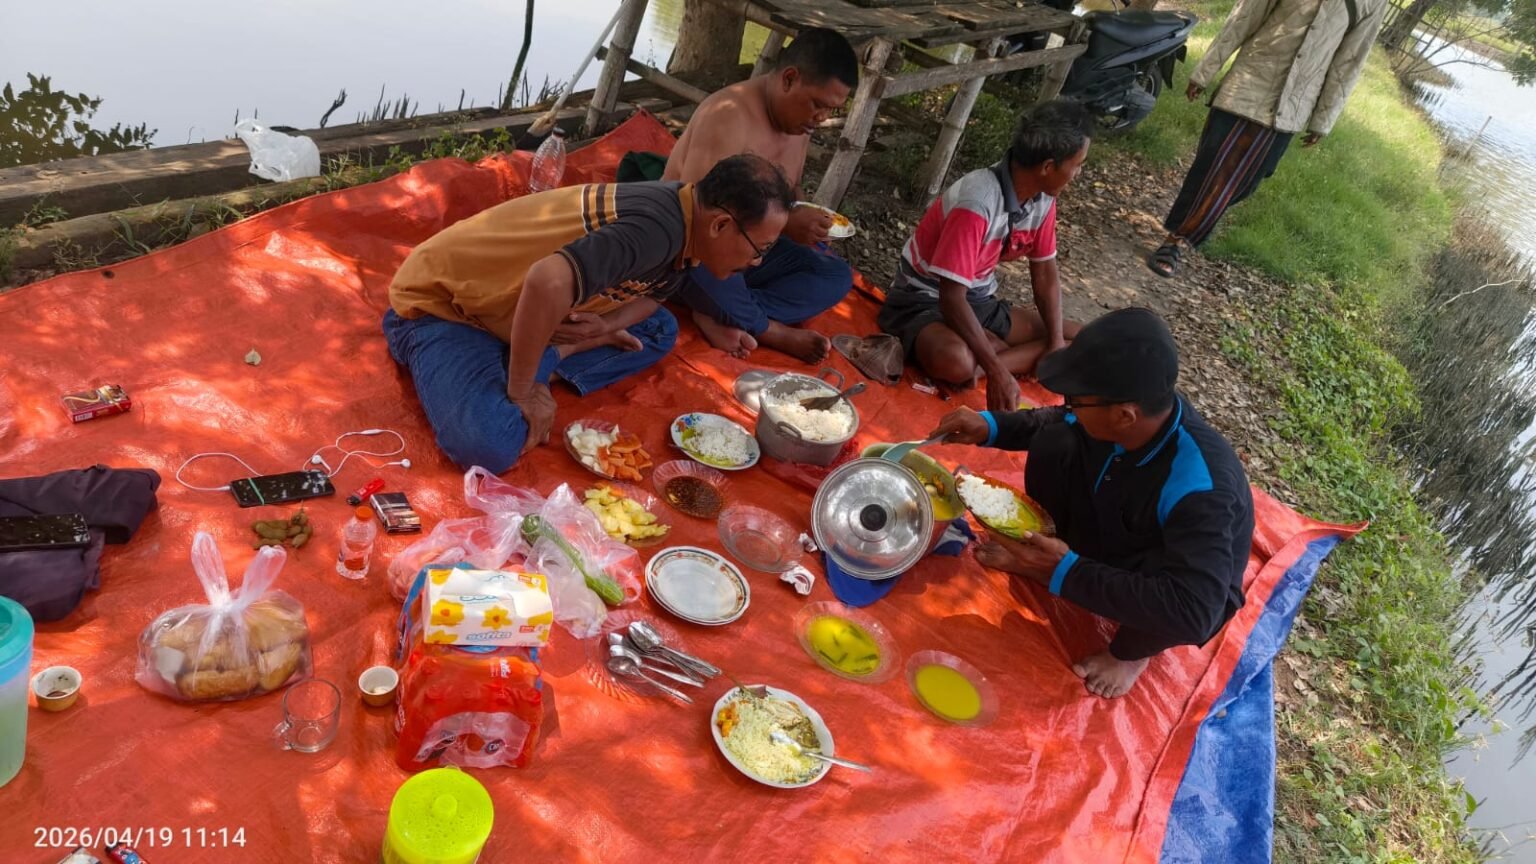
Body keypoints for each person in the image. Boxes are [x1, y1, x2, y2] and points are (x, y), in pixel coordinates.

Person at [383, 154, 793, 473]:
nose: (758, 261)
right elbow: (545, 281)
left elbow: (657, 294)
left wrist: (607, 323)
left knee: (658, 329)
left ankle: (539, 354)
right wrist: (522, 391)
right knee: (489, 444)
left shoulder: (690, 219)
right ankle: (531, 367)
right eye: (760, 248)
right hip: (448, 309)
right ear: (720, 225)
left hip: (526, 307)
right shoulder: (657, 231)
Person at [929, 308, 1254, 698]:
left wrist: (1069, 572)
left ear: (1124, 416)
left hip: (1161, 575)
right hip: (1115, 527)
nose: (1066, 403)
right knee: (1056, 442)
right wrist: (991, 426)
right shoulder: (1136, 411)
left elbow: (1195, 610)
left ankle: (1132, 653)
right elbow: (1058, 419)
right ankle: (1053, 561)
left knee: (1179, 604)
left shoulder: (1201, 485)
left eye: (1076, 399)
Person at [878, 99, 1090, 413]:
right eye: (1078, 164)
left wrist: (1056, 344)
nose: (1078, 173)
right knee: (956, 361)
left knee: (1084, 338)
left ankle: (987, 352)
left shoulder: (1043, 198)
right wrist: (997, 370)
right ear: (1048, 167)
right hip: (923, 300)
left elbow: (1045, 274)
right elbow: (951, 298)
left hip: (978, 301)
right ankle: (989, 354)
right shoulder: (977, 202)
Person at [1147, 0, 1388, 277]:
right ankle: (1177, 241)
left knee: (1247, 182)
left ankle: (1189, 226)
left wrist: (1323, 120)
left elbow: (1349, 62)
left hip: (1292, 104)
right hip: (1248, 85)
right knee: (1211, 166)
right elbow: (1245, 17)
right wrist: (1205, 70)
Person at [664, 27, 860, 363]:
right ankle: (766, 328)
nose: (822, 118)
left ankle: (719, 311)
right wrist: (787, 224)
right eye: (817, 104)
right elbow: (698, 216)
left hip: (753, 250)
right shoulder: (728, 114)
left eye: (831, 110)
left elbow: (790, 192)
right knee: (699, 267)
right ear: (789, 79)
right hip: (697, 249)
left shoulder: (800, 124)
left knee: (836, 276)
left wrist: (807, 220)